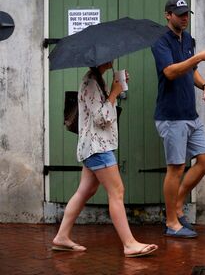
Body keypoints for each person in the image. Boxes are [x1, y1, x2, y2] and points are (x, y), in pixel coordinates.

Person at [52, 62, 158, 257]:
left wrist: (116, 86)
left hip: (96, 145)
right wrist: (115, 92)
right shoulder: (91, 82)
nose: (112, 58)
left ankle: (61, 237)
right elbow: (101, 118)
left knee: (85, 191)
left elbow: (103, 111)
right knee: (117, 191)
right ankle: (129, 244)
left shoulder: (97, 80)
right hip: (97, 147)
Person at [151, 0, 205, 238]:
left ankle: (177, 204)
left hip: (190, 114)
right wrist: (198, 57)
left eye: (186, 14)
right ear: (167, 15)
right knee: (176, 168)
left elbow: (191, 71)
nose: (184, 17)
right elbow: (170, 72)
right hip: (171, 116)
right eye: (179, 13)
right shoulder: (160, 41)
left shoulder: (188, 39)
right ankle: (172, 223)